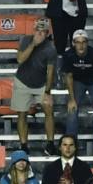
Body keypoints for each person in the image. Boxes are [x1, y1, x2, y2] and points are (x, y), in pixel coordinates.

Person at [10, 16, 58, 152]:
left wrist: (48, 92)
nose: (40, 33)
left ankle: (50, 143)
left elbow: (50, 72)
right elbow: (20, 59)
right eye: (38, 30)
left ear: (48, 33)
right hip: (23, 81)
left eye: (43, 31)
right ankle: (24, 145)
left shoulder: (51, 49)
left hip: (41, 84)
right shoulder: (26, 40)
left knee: (49, 110)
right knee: (22, 114)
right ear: (34, 30)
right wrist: (33, 44)